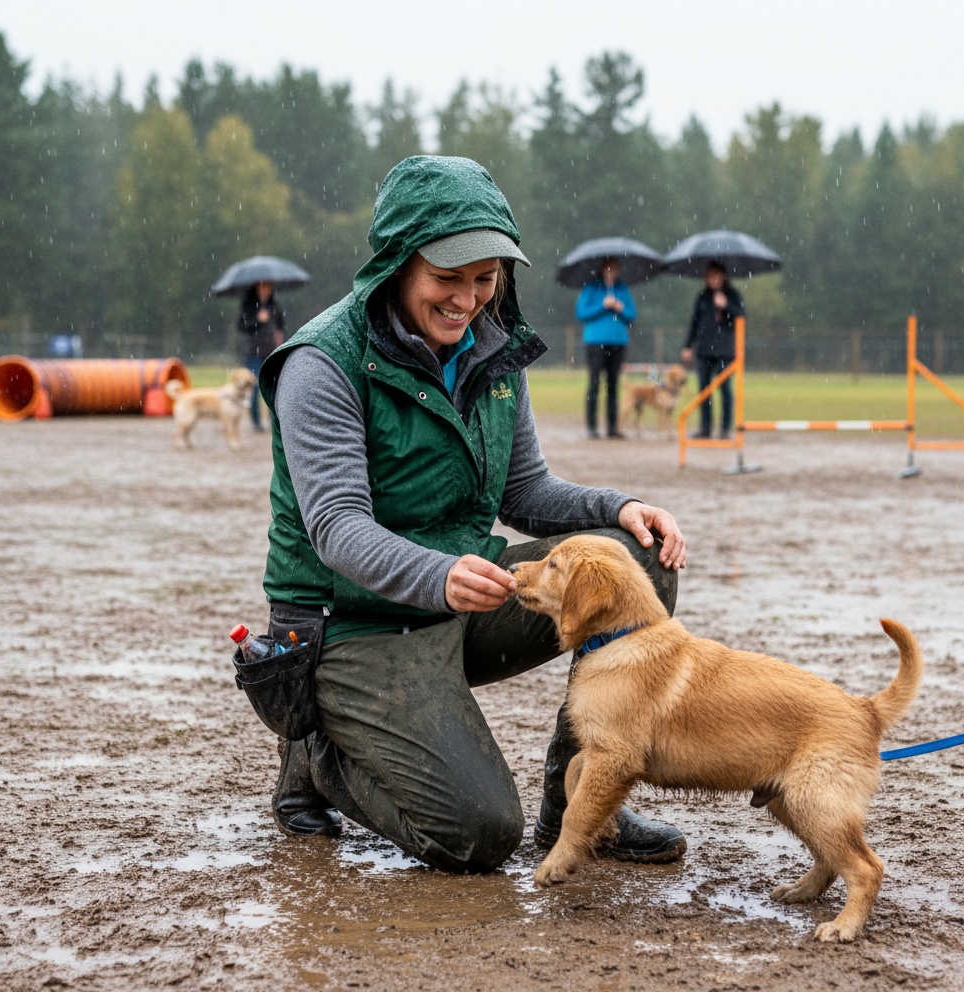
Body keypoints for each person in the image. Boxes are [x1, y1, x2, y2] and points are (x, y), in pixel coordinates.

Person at [256, 155, 688, 874]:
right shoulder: (321, 363)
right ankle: (319, 752)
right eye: (447, 278)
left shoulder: (494, 347)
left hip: (461, 590)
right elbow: (336, 527)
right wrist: (439, 575)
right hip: (352, 620)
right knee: (478, 835)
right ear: (398, 264)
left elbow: (526, 491)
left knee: (633, 563)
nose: (467, 300)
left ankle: (577, 806)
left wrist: (622, 506)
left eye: (485, 278)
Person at [680, 261, 745, 439]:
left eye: (716, 276)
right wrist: (688, 346)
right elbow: (694, 323)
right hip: (703, 350)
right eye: (709, 276)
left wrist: (726, 306)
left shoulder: (733, 295)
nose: (713, 280)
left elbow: (741, 316)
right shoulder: (702, 297)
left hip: (725, 351)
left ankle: (725, 428)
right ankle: (705, 428)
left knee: (725, 390)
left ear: (723, 277)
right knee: (704, 391)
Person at [575, 257, 637, 439]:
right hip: (595, 342)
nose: (611, 272)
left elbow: (632, 315)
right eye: (608, 268)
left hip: (618, 342)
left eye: (614, 269)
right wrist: (602, 305)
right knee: (594, 384)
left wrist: (619, 307)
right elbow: (581, 313)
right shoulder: (591, 288)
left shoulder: (622, 289)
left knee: (613, 385)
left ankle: (612, 427)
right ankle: (592, 426)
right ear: (602, 270)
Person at [236, 281, 285, 431]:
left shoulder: (274, 305)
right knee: (254, 387)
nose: (265, 290)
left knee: (274, 387)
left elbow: (280, 325)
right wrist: (257, 321)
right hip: (253, 351)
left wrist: (279, 335)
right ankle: (256, 421)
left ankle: (274, 420)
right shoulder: (248, 306)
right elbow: (241, 326)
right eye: (262, 287)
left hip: (272, 351)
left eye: (268, 287)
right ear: (256, 288)